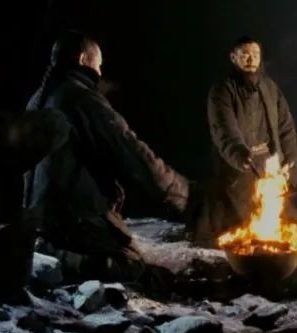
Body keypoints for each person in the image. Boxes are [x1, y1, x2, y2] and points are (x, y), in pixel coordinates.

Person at [23, 31, 189, 288]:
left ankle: (50, 248)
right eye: (98, 65)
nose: (100, 73)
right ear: (83, 59)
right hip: (70, 217)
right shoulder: (81, 99)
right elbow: (130, 151)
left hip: (40, 214)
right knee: (131, 263)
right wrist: (180, 192)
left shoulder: (38, 99)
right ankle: (62, 259)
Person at [188, 35, 297, 248]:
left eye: (255, 54)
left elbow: (286, 129)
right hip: (237, 174)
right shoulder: (222, 89)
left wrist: (291, 165)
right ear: (233, 58)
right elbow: (223, 129)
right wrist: (239, 153)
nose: (251, 59)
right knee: (238, 232)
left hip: (267, 170)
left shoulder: (270, 88)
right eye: (245, 55)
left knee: (296, 227)